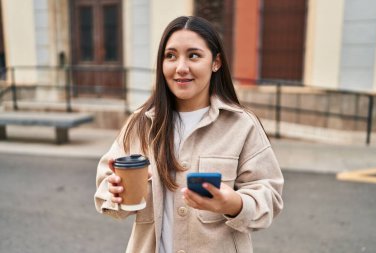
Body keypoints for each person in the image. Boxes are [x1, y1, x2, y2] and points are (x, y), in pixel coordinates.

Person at [95, 16, 284, 253]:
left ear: (215, 62)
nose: (181, 67)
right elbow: (105, 184)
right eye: (171, 56)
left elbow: (270, 195)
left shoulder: (241, 125)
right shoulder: (140, 123)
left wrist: (233, 203)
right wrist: (115, 193)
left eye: (193, 55)